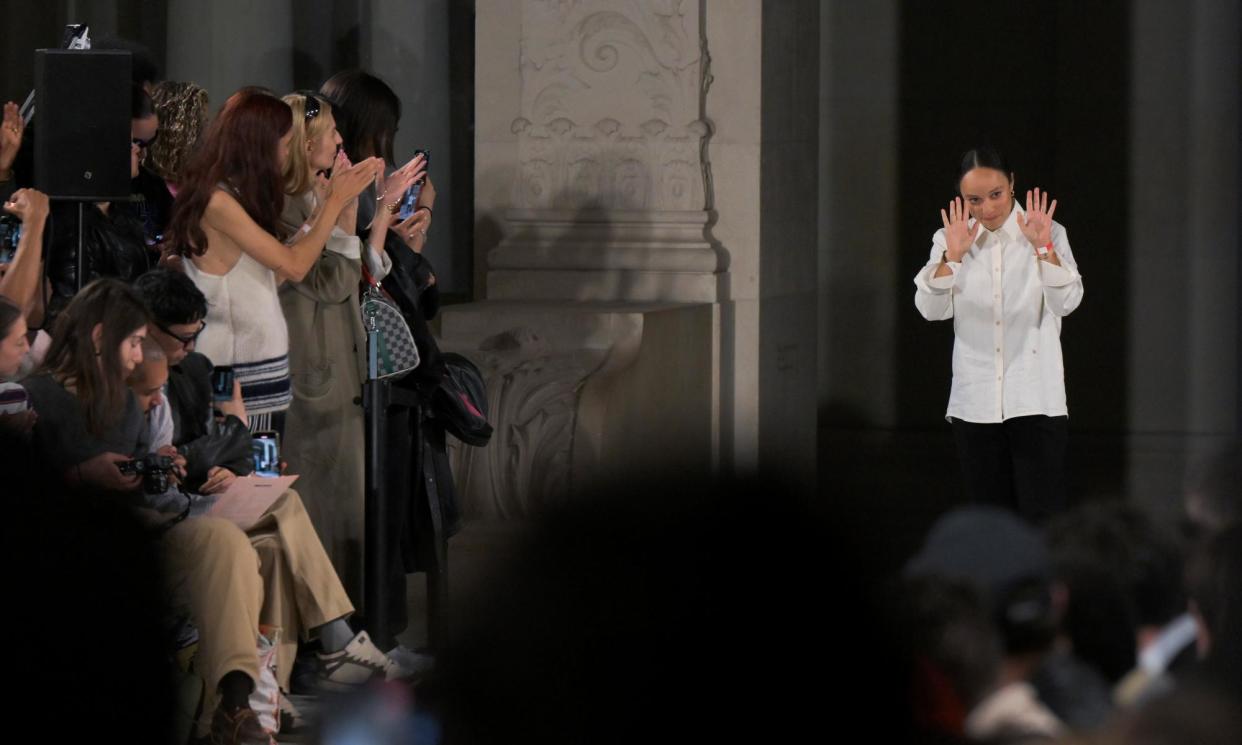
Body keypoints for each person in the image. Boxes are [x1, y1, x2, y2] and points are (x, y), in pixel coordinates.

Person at [321, 70, 457, 652]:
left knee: (397, 506)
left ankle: (386, 631)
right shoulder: (331, 189)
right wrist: (387, 226)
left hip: (390, 365)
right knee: (364, 507)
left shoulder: (361, 188)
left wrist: (409, 233)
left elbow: (395, 280)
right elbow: (357, 274)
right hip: (350, 364)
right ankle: (363, 634)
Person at [276, 90, 422, 604]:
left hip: (342, 362)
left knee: (346, 507)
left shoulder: (316, 195)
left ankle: (350, 630)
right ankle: (321, 639)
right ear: (305, 142)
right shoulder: (286, 202)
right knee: (317, 505)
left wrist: (379, 209)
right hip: (313, 367)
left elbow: (359, 271)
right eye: (331, 133)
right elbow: (332, 282)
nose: (341, 141)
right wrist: (343, 205)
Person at [165, 88, 381, 434]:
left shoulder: (234, 195)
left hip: (259, 369)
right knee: (243, 477)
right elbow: (293, 266)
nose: (286, 154)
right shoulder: (218, 201)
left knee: (266, 479)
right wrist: (334, 204)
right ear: (257, 146)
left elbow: (269, 276)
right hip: (234, 370)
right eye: (283, 145)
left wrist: (323, 213)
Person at [913, 147, 1084, 523]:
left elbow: (1067, 302)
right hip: (975, 403)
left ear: (1012, 185)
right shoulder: (949, 239)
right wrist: (953, 258)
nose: (988, 208)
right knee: (989, 522)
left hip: (1036, 397)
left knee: (1043, 520)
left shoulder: (1048, 231)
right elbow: (930, 309)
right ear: (962, 198)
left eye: (997, 195)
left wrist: (1043, 248)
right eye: (975, 199)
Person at [44, 84, 157, 328]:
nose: (138, 150)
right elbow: (74, 308)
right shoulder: (75, 225)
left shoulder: (119, 213)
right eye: (129, 145)